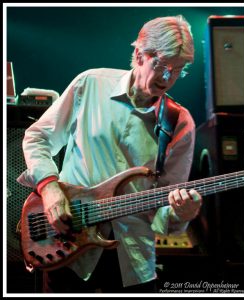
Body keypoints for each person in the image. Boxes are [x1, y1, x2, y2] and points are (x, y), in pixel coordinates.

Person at [18, 15, 202, 293]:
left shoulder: (179, 122)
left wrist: (181, 213)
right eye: (162, 65)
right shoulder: (90, 84)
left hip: (132, 262)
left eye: (178, 70)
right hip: (66, 245)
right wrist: (50, 188)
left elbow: (164, 214)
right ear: (139, 54)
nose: (168, 78)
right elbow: (38, 136)